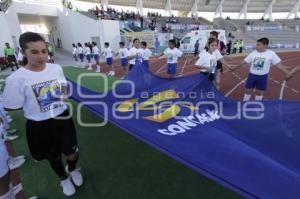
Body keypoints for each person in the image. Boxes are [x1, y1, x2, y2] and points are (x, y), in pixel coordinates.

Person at [2, 32, 82, 197]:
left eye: (44, 51)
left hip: (62, 117)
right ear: (23, 52)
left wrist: (64, 93)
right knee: (53, 157)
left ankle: (72, 169)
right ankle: (63, 178)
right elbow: (11, 106)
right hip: (39, 124)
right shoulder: (16, 79)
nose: (41, 56)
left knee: (72, 153)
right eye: (34, 52)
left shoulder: (56, 68)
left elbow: (63, 85)